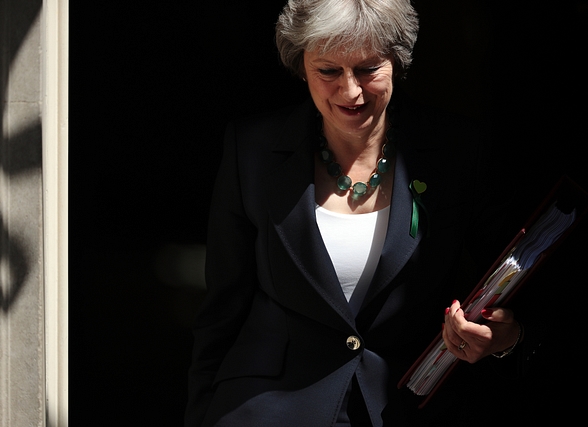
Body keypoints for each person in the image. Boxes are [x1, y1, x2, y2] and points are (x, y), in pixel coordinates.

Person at [185, 1, 526, 426]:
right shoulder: (250, 150)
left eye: (368, 69)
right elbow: (221, 311)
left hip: (403, 406)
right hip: (265, 408)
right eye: (328, 71)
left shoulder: (457, 152)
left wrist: (506, 335)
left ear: (396, 62)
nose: (351, 91)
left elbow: (518, 279)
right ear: (301, 64)